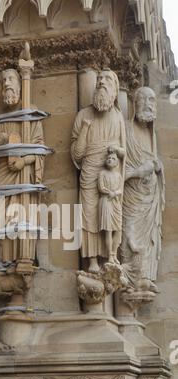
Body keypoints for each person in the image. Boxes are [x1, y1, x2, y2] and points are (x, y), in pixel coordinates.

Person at [0, 69, 45, 270]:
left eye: (11, 79)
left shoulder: (31, 114)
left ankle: (24, 257)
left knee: (21, 215)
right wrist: (1, 140)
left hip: (22, 174)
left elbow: (38, 148)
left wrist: (23, 161)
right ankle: (2, 259)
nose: (7, 83)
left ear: (20, 85)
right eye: (3, 80)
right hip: (1, 174)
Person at [71, 69, 126, 273]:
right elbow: (77, 155)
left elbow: (124, 153)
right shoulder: (83, 115)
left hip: (111, 175)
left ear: (115, 87)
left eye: (107, 79)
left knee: (110, 214)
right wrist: (85, 128)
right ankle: (92, 261)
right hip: (89, 171)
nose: (101, 82)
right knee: (89, 216)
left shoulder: (119, 117)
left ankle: (110, 256)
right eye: (99, 79)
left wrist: (115, 153)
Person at [121, 87, 165, 292]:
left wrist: (156, 167)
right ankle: (131, 279)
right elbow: (119, 169)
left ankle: (145, 276)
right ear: (134, 103)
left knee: (148, 237)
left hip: (149, 197)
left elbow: (153, 162)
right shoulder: (126, 130)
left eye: (153, 100)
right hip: (131, 196)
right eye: (145, 99)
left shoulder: (151, 134)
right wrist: (140, 170)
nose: (149, 104)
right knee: (130, 236)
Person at [98, 152, 123, 264]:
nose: (110, 159)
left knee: (117, 229)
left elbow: (121, 189)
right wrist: (110, 193)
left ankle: (114, 252)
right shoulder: (102, 173)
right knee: (108, 230)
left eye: (113, 158)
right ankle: (110, 256)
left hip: (115, 202)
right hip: (106, 201)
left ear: (117, 162)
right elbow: (101, 187)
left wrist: (115, 193)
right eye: (108, 158)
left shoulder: (118, 175)